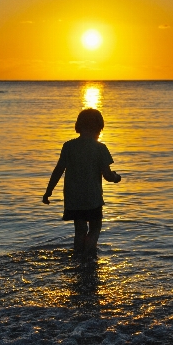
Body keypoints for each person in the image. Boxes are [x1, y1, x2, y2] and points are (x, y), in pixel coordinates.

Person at [42, 108, 121, 260]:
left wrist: (48, 191)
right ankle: (88, 257)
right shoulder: (100, 148)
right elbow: (107, 175)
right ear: (99, 127)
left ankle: (78, 257)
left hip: (74, 199)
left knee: (80, 230)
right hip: (92, 199)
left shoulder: (69, 146)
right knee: (95, 227)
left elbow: (58, 170)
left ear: (78, 125)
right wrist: (117, 177)